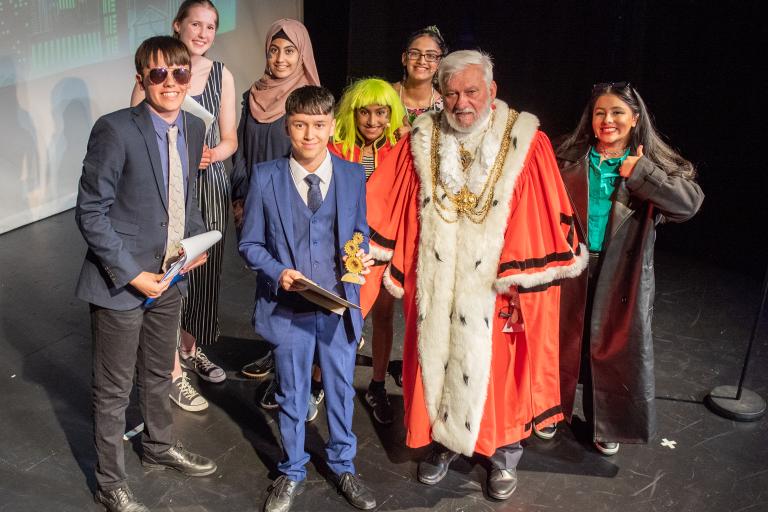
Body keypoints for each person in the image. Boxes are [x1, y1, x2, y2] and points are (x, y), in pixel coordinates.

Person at [361, 50, 586, 500]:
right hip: (438, 281)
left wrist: (515, 278)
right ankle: (443, 445)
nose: (462, 102)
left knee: (500, 372)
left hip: (497, 286)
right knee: (435, 361)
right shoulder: (420, 140)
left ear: (492, 91)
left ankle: (502, 454)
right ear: (440, 96)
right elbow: (382, 200)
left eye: (471, 91)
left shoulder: (527, 141)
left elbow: (543, 213)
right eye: (452, 93)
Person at [76, 36, 217, 512]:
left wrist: (195, 243)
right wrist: (133, 274)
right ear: (142, 79)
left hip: (170, 277)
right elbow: (91, 213)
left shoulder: (195, 129)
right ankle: (109, 482)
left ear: (189, 78)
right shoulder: (114, 129)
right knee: (113, 391)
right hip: (122, 283)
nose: (170, 83)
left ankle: (157, 447)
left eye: (179, 73)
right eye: (158, 74)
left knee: (158, 373)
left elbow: (184, 198)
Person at [239, 85, 377, 512]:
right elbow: (250, 244)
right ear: (287, 127)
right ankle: (292, 467)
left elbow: (359, 232)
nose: (309, 135)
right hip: (289, 308)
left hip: (337, 307)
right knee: (293, 393)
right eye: (300, 125)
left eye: (318, 125)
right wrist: (278, 271)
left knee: (338, 388)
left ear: (332, 127)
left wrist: (361, 256)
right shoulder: (265, 177)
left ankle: (343, 466)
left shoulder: (353, 175)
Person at [549, 82, 703, 455]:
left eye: (617, 112)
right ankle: (550, 410)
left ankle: (609, 425)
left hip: (623, 272)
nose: (608, 120)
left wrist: (642, 173)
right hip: (572, 262)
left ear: (634, 118)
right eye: (600, 112)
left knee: (615, 347)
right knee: (562, 339)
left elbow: (689, 205)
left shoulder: (647, 166)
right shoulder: (569, 157)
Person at [131, 0, 237, 413]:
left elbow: (230, 136)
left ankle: (190, 347)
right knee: (169, 269)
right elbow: (137, 125)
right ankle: (170, 367)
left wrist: (214, 153)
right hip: (166, 181)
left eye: (210, 26)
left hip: (207, 181)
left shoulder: (221, 74)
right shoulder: (156, 72)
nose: (203, 33)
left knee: (203, 269)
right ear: (178, 26)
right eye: (196, 24)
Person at [230, 18, 323, 411]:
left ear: (302, 53)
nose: (281, 58)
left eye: (289, 50)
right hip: (256, 205)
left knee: (298, 288)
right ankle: (277, 351)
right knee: (269, 282)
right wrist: (239, 196)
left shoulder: (309, 101)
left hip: (294, 210)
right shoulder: (254, 95)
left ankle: (301, 377)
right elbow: (240, 152)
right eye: (274, 49)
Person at [329, 78, 406, 425]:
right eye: (365, 112)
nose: (373, 121)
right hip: (343, 248)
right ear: (353, 113)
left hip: (385, 250)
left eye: (381, 113)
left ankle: (376, 383)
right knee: (338, 316)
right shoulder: (337, 146)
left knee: (384, 317)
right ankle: (325, 382)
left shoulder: (400, 150)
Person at [391, 25, 447, 140]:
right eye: (415, 53)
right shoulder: (385, 95)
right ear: (404, 58)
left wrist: (413, 134)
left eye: (431, 56)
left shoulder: (445, 107)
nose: (422, 61)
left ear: (439, 63)